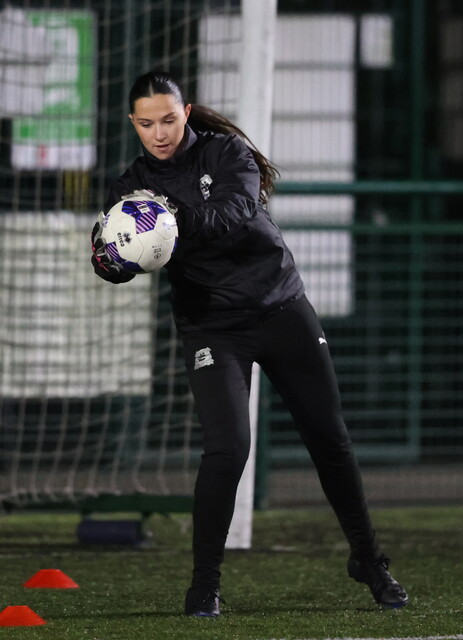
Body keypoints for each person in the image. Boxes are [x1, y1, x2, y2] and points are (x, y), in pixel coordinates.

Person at [91, 70, 408, 617]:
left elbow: (234, 213)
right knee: (228, 448)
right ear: (133, 124)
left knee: (329, 439)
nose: (159, 132)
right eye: (147, 124)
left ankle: (370, 560)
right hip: (212, 327)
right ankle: (204, 586)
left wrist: (170, 221)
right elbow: (118, 253)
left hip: (280, 308)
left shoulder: (227, 153)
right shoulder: (131, 188)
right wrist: (111, 260)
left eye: (168, 119)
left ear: (185, 112)